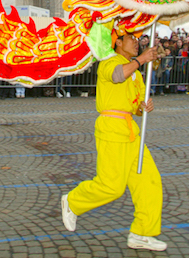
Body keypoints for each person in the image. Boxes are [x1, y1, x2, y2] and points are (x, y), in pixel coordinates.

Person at [61, 29, 166, 251]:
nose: (137, 43)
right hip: (111, 129)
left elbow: (134, 104)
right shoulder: (109, 61)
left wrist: (143, 107)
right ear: (117, 42)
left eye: (138, 40)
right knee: (111, 186)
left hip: (131, 131)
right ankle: (73, 201)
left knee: (150, 182)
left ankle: (142, 233)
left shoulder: (136, 71)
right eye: (131, 39)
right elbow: (118, 76)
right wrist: (141, 59)